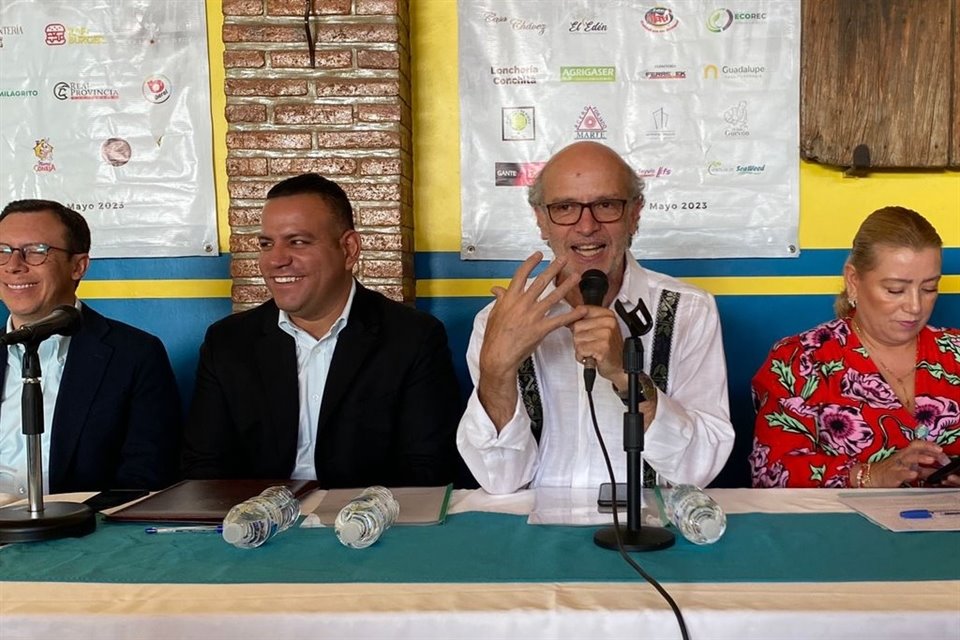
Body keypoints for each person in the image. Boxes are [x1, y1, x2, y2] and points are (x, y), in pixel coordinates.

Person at [456, 141, 735, 494]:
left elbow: (699, 468)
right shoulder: (498, 321)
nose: (586, 226)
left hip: (648, 531)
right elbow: (500, 479)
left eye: (606, 205)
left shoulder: (688, 311)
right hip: (534, 534)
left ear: (635, 213)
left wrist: (625, 376)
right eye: (565, 207)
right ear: (542, 220)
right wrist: (496, 372)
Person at [182, 173, 462, 488]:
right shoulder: (228, 342)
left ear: (349, 249)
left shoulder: (412, 337)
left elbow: (428, 470)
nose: (276, 260)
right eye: (266, 244)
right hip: (258, 525)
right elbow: (204, 469)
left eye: (298, 242)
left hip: (367, 526)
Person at [751, 206, 960, 488]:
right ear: (853, 280)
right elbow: (771, 473)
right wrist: (869, 475)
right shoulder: (800, 360)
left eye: (929, 288)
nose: (915, 306)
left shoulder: (955, 352)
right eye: (895, 289)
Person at [0, 199, 181, 494]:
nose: (14, 266)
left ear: (78, 266)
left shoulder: (134, 355)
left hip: (79, 530)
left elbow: (145, 476)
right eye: (3, 252)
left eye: (36, 252)